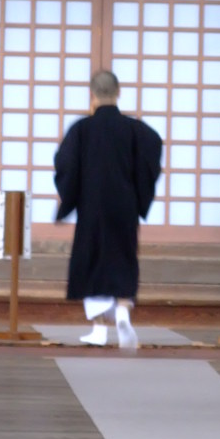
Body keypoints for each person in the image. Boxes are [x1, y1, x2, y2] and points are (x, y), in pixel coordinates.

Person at [54, 70, 163, 348]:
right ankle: (123, 310)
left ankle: (100, 328)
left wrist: (69, 199)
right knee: (123, 256)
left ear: (91, 95)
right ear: (119, 92)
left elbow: (65, 164)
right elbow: (154, 146)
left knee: (92, 259)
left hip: (92, 206)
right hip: (124, 205)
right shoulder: (135, 130)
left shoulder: (81, 130)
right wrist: (139, 194)